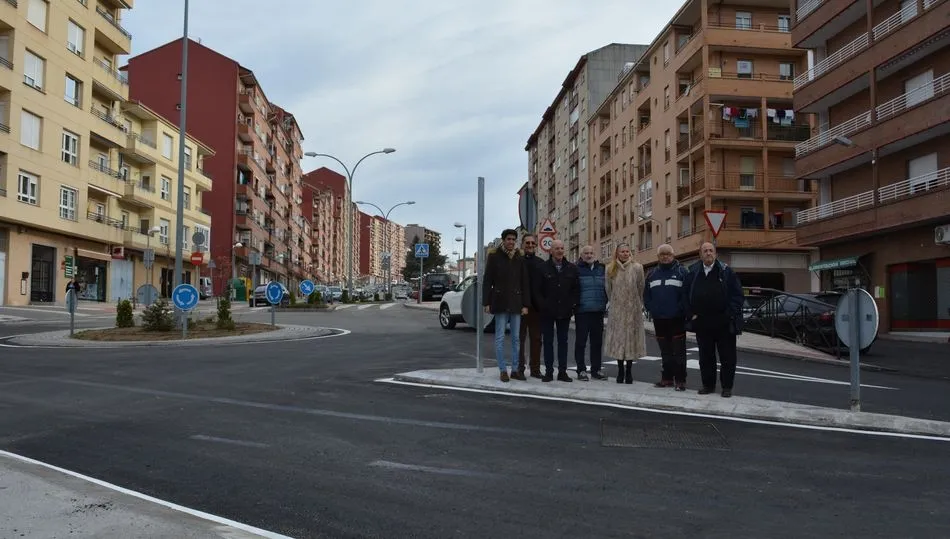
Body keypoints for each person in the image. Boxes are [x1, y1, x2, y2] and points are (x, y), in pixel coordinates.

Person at [684, 242, 744, 398]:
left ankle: (727, 387)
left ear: (716, 254)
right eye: (705, 251)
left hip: (724, 323)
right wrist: (691, 314)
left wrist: (729, 314)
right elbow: (685, 296)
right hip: (702, 323)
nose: (708, 253)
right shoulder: (693, 272)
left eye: (711, 250)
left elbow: (738, 296)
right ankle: (708, 385)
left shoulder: (726, 272)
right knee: (705, 358)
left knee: (727, 358)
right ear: (700, 255)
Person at [483, 229, 531, 382]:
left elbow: (525, 282)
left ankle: (515, 370)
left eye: (513, 239)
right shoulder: (494, 256)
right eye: (509, 239)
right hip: (500, 301)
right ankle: (503, 370)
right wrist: (486, 302)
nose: (511, 242)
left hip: (517, 303)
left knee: (516, 338)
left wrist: (525, 304)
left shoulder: (520, 257)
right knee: (500, 337)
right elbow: (487, 280)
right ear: (503, 240)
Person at [643, 244, 689, 391]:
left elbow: (686, 294)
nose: (665, 256)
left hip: (677, 319)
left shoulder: (682, 272)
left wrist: (680, 309)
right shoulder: (651, 274)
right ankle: (667, 378)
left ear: (673, 255)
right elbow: (646, 295)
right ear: (658, 257)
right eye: (662, 254)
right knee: (665, 351)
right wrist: (652, 308)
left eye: (668, 254)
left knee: (679, 352)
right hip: (659, 319)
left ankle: (680, 380)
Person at [534, 239, 579, 383]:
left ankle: (562, 372)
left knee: (563, 342)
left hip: (565, 311)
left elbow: (576, 290)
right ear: (551, 251)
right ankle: (548, 372)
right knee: (547, 342)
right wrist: (543, 305)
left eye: (562, 248)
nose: (560, 251)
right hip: (547, 311)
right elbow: (537, 291)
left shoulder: (571, 268)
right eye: (557, 248)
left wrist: (572, 305)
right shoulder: (542, 268)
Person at [604, 243, 646, 384]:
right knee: (618, 341)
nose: (625, 254)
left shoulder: (637, 268)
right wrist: (615, 303)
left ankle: (629, 371)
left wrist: (637, 304)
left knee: (631, 341)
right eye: (622, 251)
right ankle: (620, 370)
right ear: (617, 253)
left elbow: (641, 287)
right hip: (617, 311)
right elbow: (608, 289)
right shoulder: (610, 268)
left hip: (633, 310)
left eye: (627, 251)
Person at [574, 245, 608, 381]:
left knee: (597, 343)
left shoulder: (602, 269)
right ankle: (581, 370)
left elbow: (607, 288)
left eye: (591, 252)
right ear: (581, 255)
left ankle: (596, 370)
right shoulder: (576, 269)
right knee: (581, 342)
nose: (589, 255)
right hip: (582, 311)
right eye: (586, 253)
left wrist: (606, 303)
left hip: (598, 311)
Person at [518, 234, 544, 379]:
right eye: (527, 242)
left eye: (532, 243)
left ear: (536, 245)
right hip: (519, 307)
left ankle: (535, 369)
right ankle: (519, 368)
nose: (530, 245)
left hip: (536, 308)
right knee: (519, 339)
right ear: (522, 244)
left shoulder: (541, 263)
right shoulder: (517, 262)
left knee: (536, 340)